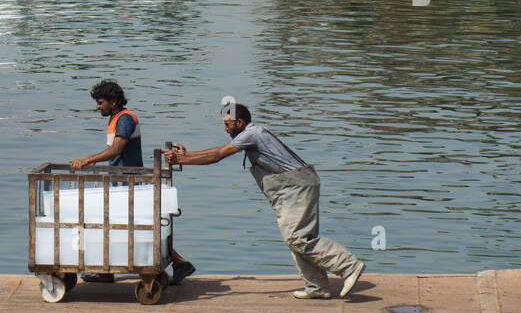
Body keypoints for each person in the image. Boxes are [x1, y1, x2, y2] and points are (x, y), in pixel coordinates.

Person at [165, 103, 365, 299]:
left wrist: (181, 160)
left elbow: (218, 155)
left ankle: (348, 266)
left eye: (228, 124)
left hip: (297, 187)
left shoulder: (252, 134)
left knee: (298, 238)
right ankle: (317, 287)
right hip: (289, 189)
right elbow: (217, 151)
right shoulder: (250, 135)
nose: (226, 129)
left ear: (240, 122)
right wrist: (186, 155)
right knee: (294, 239)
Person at [70, 80, 196, 284]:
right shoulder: (115, 118)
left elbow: (116, 150)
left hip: (128, 184)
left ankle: (179, 263)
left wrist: (87, 159)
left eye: (101, 102)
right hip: (120, 182)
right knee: (118, 225)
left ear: (115, 101)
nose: (98, 106)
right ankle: (107, 270)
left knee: (132, 227)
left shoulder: (125, 119)